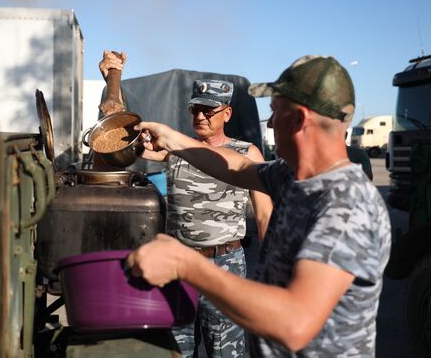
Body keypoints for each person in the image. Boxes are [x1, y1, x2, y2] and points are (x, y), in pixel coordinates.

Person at [127, 55, 391, 356]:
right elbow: (236, 168)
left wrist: (186, 264)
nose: (270, 122)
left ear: (299, 120)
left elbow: (295, 323)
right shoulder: (292, 174)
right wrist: (173, 139)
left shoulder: (347, 204)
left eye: (274, 112)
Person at [99, 50, 273, 357]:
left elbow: (263, 214)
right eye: (195, 110)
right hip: (178, 266)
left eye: (209, 111)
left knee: (226, 352)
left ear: (227, 114)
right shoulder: (174, 149)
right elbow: (122, 142)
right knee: (176, 350)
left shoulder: (247, 153)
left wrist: (273, 272)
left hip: (226, 265)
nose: (200, 117)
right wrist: (113, 80)